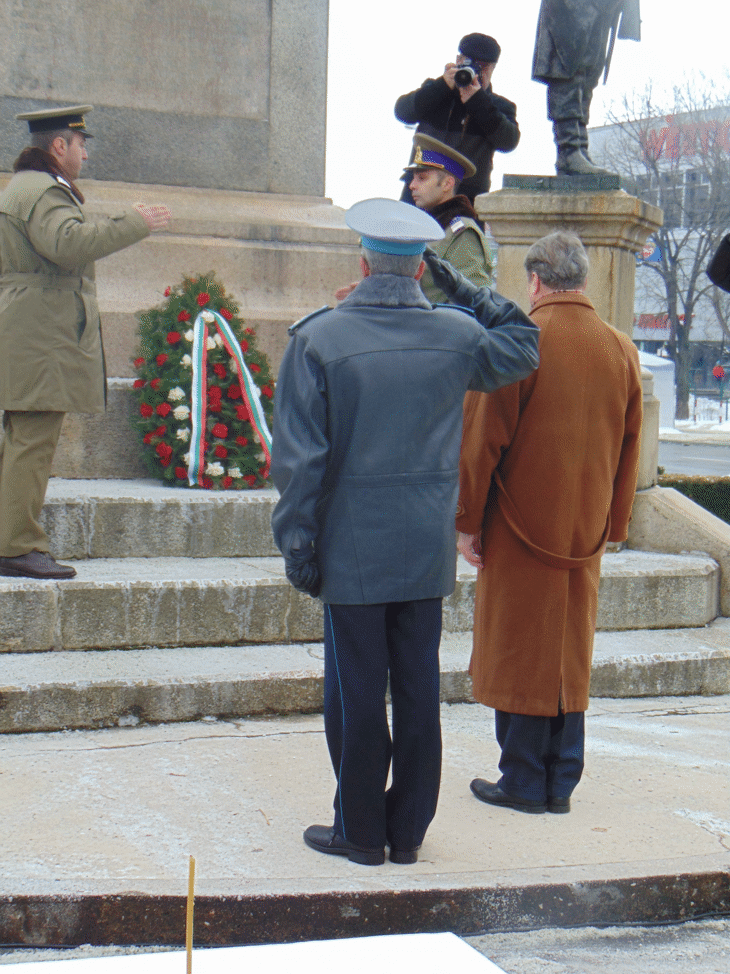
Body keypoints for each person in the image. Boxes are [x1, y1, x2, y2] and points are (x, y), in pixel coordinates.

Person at [270, 198, 540, 866]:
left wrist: (296, 544)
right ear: (421, 269)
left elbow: (300, 461)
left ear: (361, 264)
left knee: (356, 692)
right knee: (418, 690)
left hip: (351, 547)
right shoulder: (455, 335)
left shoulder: (318, 339)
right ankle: (409, 830)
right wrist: (460, 283)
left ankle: (359, 830)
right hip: (423, 545)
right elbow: (524, 341)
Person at [455, 230, 642, 814]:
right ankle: (561, 779)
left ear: (534, 282)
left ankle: (521, 779)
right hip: (583, 531)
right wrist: (613, 525)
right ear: (581, 280)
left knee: (518, 648)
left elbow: (481, 443)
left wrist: (466, 522)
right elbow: (630, 451)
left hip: (518, 526)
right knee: (567, 651)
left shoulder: (521, 344)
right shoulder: (621, 349)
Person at [0, 105, 171, 580]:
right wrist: (132, 222)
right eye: (80, 145)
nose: (85, 155)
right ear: (59, 146)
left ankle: (11, 538)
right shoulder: (42, 190)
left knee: (22, 439)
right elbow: (68, 245)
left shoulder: (28, 187)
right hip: (40, 332)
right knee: (32, 441)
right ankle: (16, 545)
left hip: (32, 327)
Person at [395, 33, 519, 203]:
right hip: (419, 192)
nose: (476, 72)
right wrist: (442, 87)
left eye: (483, 67)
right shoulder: (436, 90)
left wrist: (477, 102)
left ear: (493, 69)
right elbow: (402, 112)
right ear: (458, 60)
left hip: (466, 198)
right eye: (470, 64)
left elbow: (509, 141)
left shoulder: (499, 106)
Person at [532, 1, 641, 175]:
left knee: (590, 74)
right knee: (569, 68)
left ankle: (579, 148)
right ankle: (569, 151)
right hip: (572, 7)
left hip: (603, 8)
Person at [404, 133, 495, 304]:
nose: (412, 185)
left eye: (422, 178)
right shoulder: (426, 228)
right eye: (413, 178)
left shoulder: (462, 233)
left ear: (447, 184)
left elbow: (471, 303)